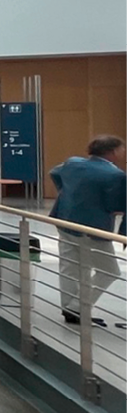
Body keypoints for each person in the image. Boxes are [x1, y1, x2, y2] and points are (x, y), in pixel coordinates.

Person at [49, 135, 126, 327]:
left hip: (66, 221)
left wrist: (66, 193)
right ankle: (77, 306)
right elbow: (118, 204)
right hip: (94, 228)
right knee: (109, 271)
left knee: (70, 267)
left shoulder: (72, 164)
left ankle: (69, 309)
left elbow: (54, 173)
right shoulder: (116, 176)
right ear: (113, 152)